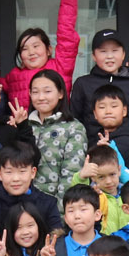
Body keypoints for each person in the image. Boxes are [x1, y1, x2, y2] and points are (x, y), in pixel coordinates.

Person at [4, 0, 82, 108]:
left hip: (58, 128)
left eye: (35, 46)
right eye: (24, 49)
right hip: (25, 130)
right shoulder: (13, 76)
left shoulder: (60, 67)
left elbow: (66, 32)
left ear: (48, 50)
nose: (31, 52)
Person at [20, 69, 87, 202]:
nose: (41, 97)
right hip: (21, 207)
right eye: (35, 92)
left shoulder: (73, 127)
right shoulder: (23, 126)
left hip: (54, 209)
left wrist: (60, 213)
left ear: (61, 93)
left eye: (47, 91)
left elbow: (71, 174)